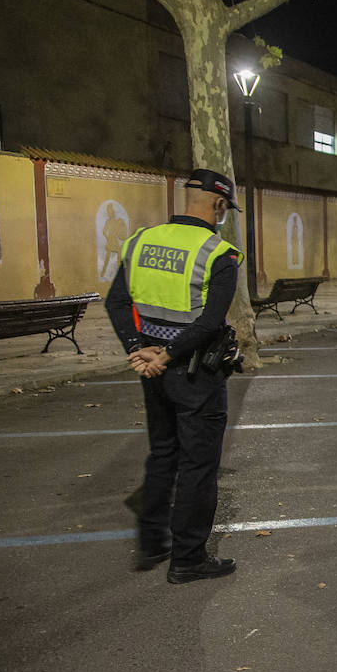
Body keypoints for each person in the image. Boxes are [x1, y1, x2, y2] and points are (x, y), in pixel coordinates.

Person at [105, 169, 242, 583]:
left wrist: (138, 350)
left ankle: (151, 540)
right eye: (225, 209)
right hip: (195, 372)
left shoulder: (141, 240)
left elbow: (116, 302)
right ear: (219, 205)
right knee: (198, 465)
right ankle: (188, 558)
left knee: (163, 452)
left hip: (151, 368)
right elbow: (209, 323)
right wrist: (168, 354)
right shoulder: (219, 253)